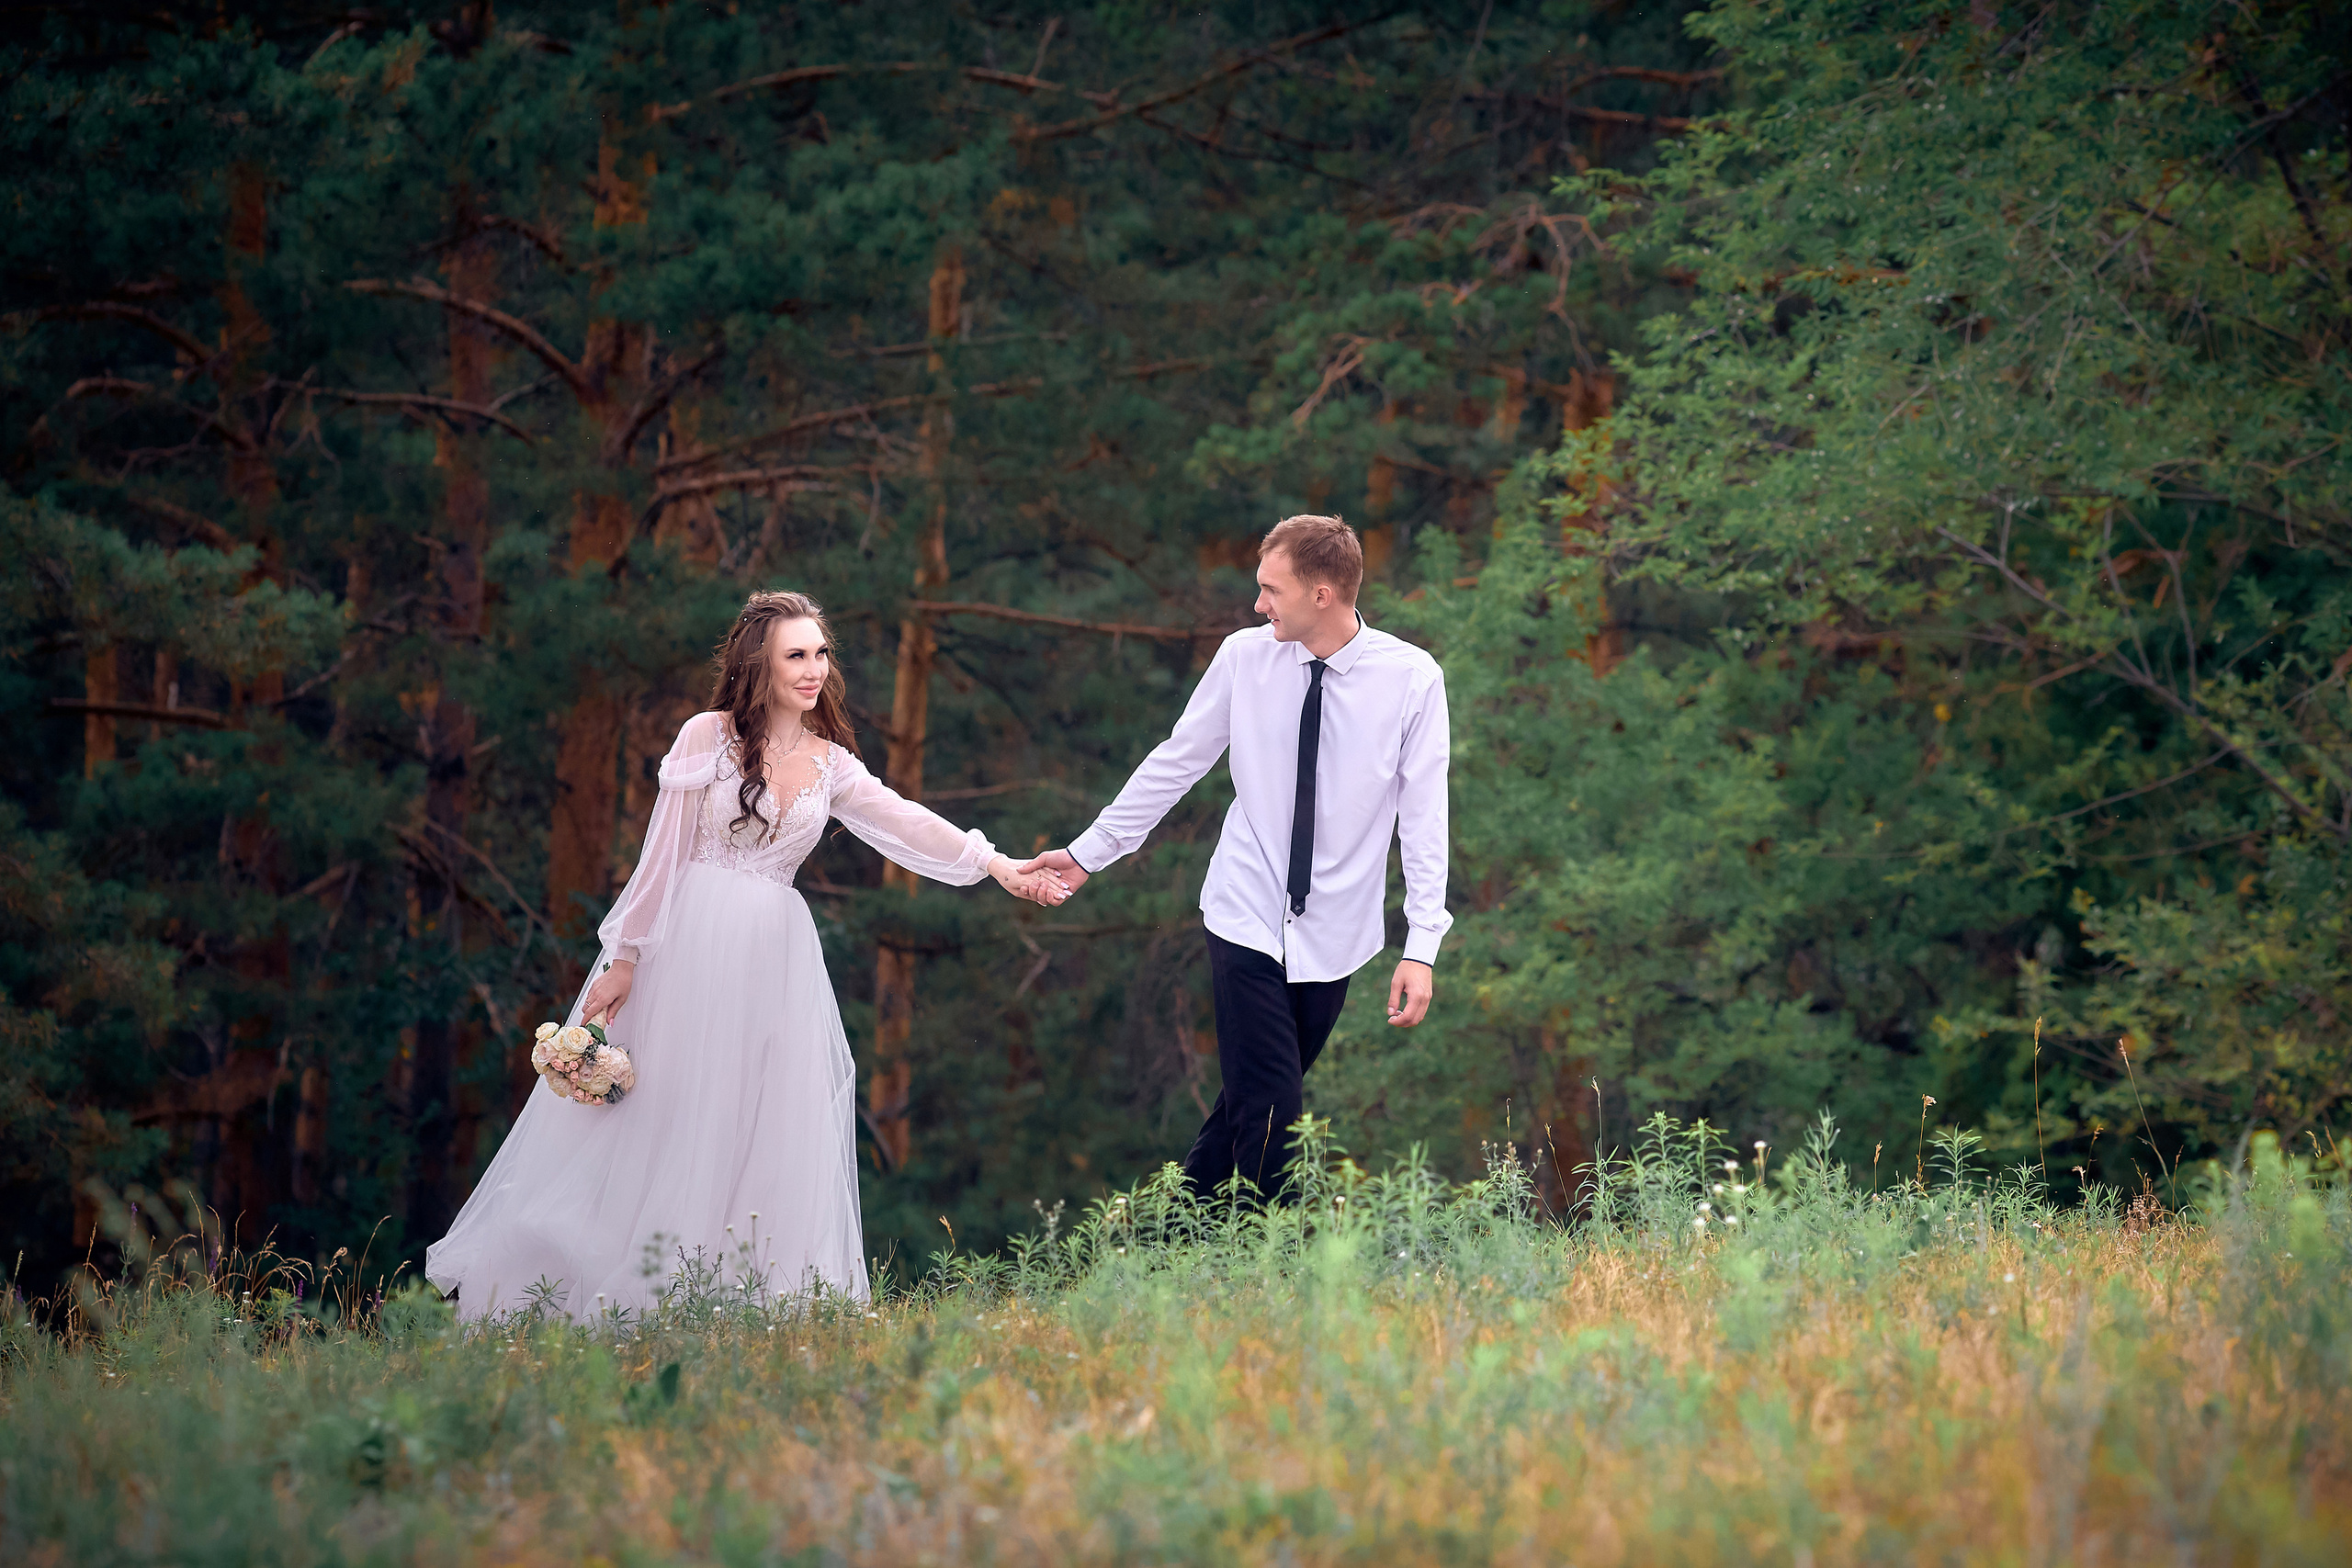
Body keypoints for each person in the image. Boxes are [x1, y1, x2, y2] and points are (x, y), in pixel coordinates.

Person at [425, 590, 1069, 1318]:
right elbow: (660, 855)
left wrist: (997, 864)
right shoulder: (707, 736)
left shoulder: (832, 763)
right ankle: (614, 1285)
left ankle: (737, 1296)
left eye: (821, 653)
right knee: (667, 1111)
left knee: (760, 1119)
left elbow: (907, 820)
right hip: (690, 945)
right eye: (796, 654)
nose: (813, 669)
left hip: (775, 959)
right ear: (757, 664)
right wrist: (625, 955)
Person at [1019, 514, 1451, 1200]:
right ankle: (1273, 1262)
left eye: (1271, 590)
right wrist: (1088, 853)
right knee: (1274, 1110)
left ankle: (1167, 1247)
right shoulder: (1244, 658)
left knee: (1252, 1101)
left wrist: (1421, 944)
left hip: (1337, 930)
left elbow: (1426, 819)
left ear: (1322, 593)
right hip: (1243, 909)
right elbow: (1175, 763)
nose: (1258, 605)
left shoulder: (1412, 680)